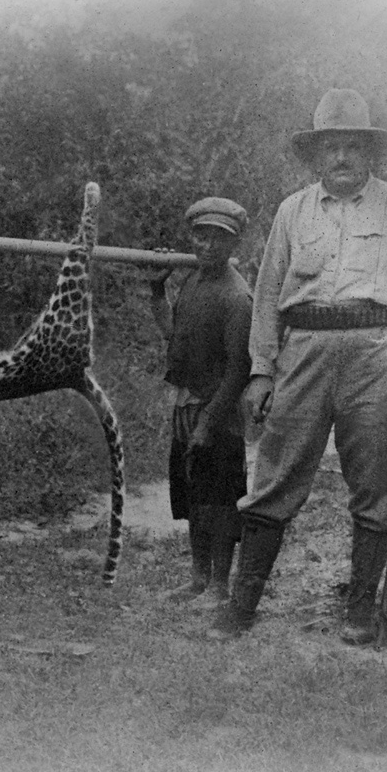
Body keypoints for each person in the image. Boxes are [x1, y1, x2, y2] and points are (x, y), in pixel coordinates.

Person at [212, 89, 387, 645]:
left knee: (375, 481)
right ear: (315, 156)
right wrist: (262, 370)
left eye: (352, 147)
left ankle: (361, 610)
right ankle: (241, 607)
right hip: (305, 350)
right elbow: (268, 294)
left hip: (378, 352)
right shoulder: (292, 212)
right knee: (275, 475)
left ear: (369, 153)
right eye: (330, 148)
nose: (341, 158)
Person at [150, 197, 253, 604]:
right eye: (200, 236)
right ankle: (198, 578)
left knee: (221, 501)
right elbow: (172, 333)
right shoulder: (193, 281)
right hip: (188, 408)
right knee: (194, 497)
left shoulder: (237, 297)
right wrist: (157, 289)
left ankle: (220, 585)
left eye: (218, 239)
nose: (207, 246)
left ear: (233, 244)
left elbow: (239, 370)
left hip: (219, 414)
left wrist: (208, 424)